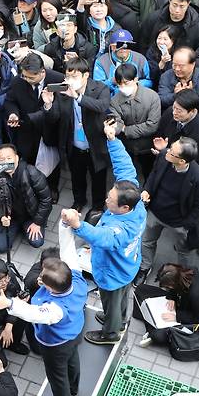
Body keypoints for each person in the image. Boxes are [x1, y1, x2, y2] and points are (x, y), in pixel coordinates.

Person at [62, 120, 146, 345]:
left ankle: (110, 333)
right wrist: (113, 140)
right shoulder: (134, 199)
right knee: (120, 301)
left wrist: (78, 224)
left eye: (110, 200)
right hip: (128, 266)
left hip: (113, 272)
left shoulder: (121, 229)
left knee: (111, 302)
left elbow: (103, 238)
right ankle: (117, 321)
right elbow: (125, 167)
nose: (106, 199)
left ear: (124, 208)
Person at [0, 222, 87, 396]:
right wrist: (64, 224)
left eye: (43, 276)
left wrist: (9, 304)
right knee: (73, 361)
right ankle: (74, 390)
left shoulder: (56, 309)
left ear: (50, 288)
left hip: (56, 344)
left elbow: (34, 313)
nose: (39, 276)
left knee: (57, 375)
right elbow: (68, 250)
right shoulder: (76, 279)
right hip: (74, 332)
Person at [44, 57, 111, 214]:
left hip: (95, 145)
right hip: (74, 145)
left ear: (86, 75)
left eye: (74, 76)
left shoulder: (100, 88)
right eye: (68, 76)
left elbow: (101, 106)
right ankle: (79, 201)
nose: (70, 80)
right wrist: (48, 104)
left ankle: (98, 206)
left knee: (98, 178)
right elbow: (54, 118)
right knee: (77, 177)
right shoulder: (63, 92)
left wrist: (78, 97)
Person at [138, 137, 199, 283]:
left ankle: (181, 279)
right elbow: (153, 175)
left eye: (171, 151)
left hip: (178, 222)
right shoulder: (164, 158)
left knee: (184, 252)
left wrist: (186, 225)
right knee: (147, 241)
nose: (166, 151)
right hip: (155, 213)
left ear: (182, 161)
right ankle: (145, 267)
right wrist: (147, 190)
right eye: (170, 148)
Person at [4, 52, 64, 201]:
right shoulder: (19, 81)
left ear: (42, 72)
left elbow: (61, 108)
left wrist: (35, 117)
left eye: (31, 77)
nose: (27, 80)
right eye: (24, 76)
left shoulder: (57, 80)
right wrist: (13, 114)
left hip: (49, 130)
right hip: (26, 131)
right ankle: (33, 187)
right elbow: (10, 101)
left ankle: (52, 188)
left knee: (53, 162)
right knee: (29, 160)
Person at [0, 144, 52, 253]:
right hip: (11, 217)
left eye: (9, 158)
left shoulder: (31, 172)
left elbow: (46, 200)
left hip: (30, 216)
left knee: (37, 242)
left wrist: (37, 222)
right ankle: (18, 229)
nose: (6, 162)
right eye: (2, 160)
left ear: (17, 158)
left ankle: (25, 228)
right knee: (1, 247)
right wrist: (1, 217)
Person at [134, 264, 199, 347]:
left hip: (187, 316)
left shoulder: (197, 295)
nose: (167, 289)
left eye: (169, 287)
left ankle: (152, 327)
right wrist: (171, 297)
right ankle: (152, 325)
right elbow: (173, 290)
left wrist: (176, 316)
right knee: (141, 289)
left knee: (157, 336)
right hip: (179, 303)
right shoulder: (182, 272)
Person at [109, 63, 161, 178]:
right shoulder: (114, 101)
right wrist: (119, 127)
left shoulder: (152, 97)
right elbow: (116, 124)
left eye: (126, 83)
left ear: (136, 79)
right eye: (119, 84)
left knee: (149, 174)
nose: (123, 87)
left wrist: (126, 129)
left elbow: (152, 126)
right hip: (127, 147)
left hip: (148, 147)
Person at [154, 89, 199, 165]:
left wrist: (165, 152)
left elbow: (192, 164)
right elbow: (159, 132)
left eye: (179, 111)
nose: (174, 113)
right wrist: (159, 149)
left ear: (192, 111)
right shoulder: (170, 112)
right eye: (174, 107)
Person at [92, 29, 153, 96]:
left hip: (136, 96)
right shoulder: (101, 61)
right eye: (120, 45)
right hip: (111, 100)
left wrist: (134, 84)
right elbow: (97, 86)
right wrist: (112, 82)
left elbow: (149, 81)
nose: (124, 48)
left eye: (127, 45)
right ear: (112, 47)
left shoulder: (140, 59)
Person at [158, 47, 199, 118]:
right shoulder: (166, 76)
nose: (177, 69)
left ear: (193, 64)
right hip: (173, 116)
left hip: (197, 117)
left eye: (181, 66)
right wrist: (176, 95)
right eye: (174, 65)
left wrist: (191, 95)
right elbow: (161, 100)